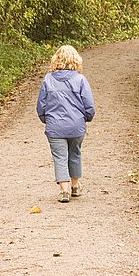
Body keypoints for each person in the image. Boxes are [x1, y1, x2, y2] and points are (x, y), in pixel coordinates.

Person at [36, 45, 95, 203]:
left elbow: (41, 106)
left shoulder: (48, 79)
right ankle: (75, 186)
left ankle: (64, 190)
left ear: (56, 60)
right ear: (76, 60)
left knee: (60, 157)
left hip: (55, 126)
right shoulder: (80, 80)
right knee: (75, 153)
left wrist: (46, 120)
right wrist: (86, 118)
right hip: (76, 126)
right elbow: (89, 106)